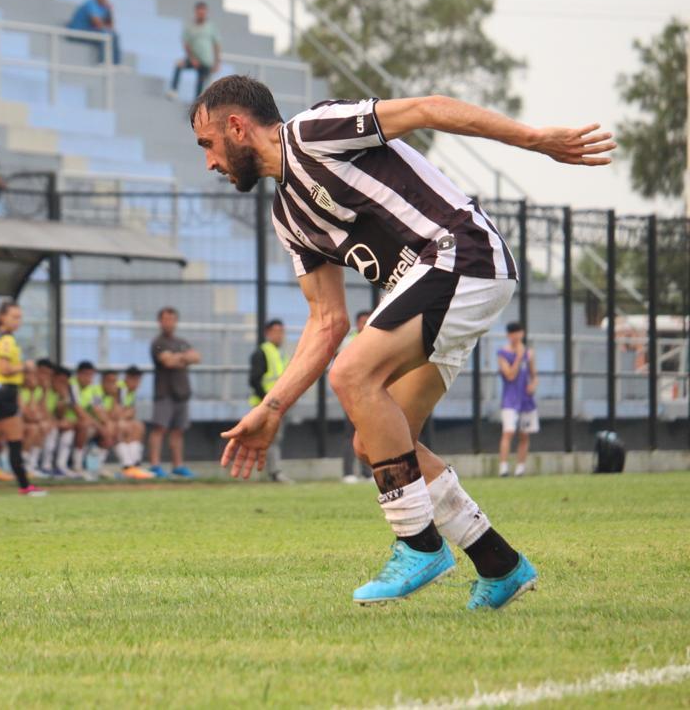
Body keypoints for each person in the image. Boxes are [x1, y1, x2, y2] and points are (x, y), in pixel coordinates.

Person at [194, 76, 612, 608]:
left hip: (462, 255)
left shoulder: (312, 134)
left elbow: (427, 107)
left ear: (236, 126)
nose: (209, 162)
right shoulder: (288, 217)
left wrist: (534, 140)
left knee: (352, 376)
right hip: (445, 283)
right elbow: (327, 321)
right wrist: (273, 406)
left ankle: (418, 543)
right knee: (377, 441)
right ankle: (499, 564)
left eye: (207, 145)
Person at [0, 302, 45, 497]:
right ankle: (25, 485)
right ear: (2, 317)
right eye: (14, 316)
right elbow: (5, 369)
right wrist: (26, 366)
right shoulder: (6, 339)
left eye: (19, 317)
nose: (18, 321)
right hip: (4, 393)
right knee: (15, 439)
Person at [148, 306, 199, 478]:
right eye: (165, 319)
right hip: (164, 392)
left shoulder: (181, 342)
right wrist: (184, 358)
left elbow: (196, 357)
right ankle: (155, 465)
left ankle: (178, 465)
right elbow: (167, 362)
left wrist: (178, 357)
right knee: (160, 428)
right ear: (160, 322)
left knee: (178, 431)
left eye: (172, 319)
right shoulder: (158, 343)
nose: (169, 323)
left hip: (182, 392)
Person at [248, 318, 291, 483]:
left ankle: (270, 472)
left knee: (274, 439)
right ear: (267, 333)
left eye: (281, 332)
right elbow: (255, 380)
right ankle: (274, 472)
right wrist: (267, 402)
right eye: (276, 332)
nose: (279, 335)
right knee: (270, 439)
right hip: (266, 405)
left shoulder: (280, 353)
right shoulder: (262, 352)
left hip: (279, 404)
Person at [497, 322, 538, 478]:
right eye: (513, 333)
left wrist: (533, 384)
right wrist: (519, 357)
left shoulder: (530, 353)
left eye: (518, 332)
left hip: (526, 400)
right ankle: (503, 468)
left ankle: (520, 468)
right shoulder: (502, 354)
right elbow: (510, 375)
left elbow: (534, 375)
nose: (516, 336)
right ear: (508, 335)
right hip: (509, 399)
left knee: (524, 434)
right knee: (508, 432)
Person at [339, 310, 372, 483]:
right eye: (362, 322)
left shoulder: (376, 339)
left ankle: (368, 473)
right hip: (352, 394)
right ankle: (348, 473)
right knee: (350, 434)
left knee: (369, 434)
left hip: (371, 393)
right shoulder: (348, 342)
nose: (365, 325)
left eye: (368, 321)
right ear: (357, 323)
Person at [167, 1, 220, 100]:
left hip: (206, 62)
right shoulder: (190, 27)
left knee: (200, 84)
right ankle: (173, 90)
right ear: (196, 12)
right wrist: (192, 58)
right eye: (199, 12)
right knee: (179, 65)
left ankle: (196, 102)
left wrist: (217, 62)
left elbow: (216, 45)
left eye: (203, 13)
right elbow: (186, 44)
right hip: (194, 59)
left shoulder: (211, 27)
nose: (201, 15)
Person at [68, 0, 121, 65]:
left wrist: (110, 11)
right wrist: (106, 27)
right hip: (78, 30)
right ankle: (103, 62)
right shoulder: (91, 3)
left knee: (114, 35)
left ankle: (116, 63)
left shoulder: (103, 7)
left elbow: (111, 27)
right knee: (105, 34)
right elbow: (97, 23)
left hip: (89, 30)